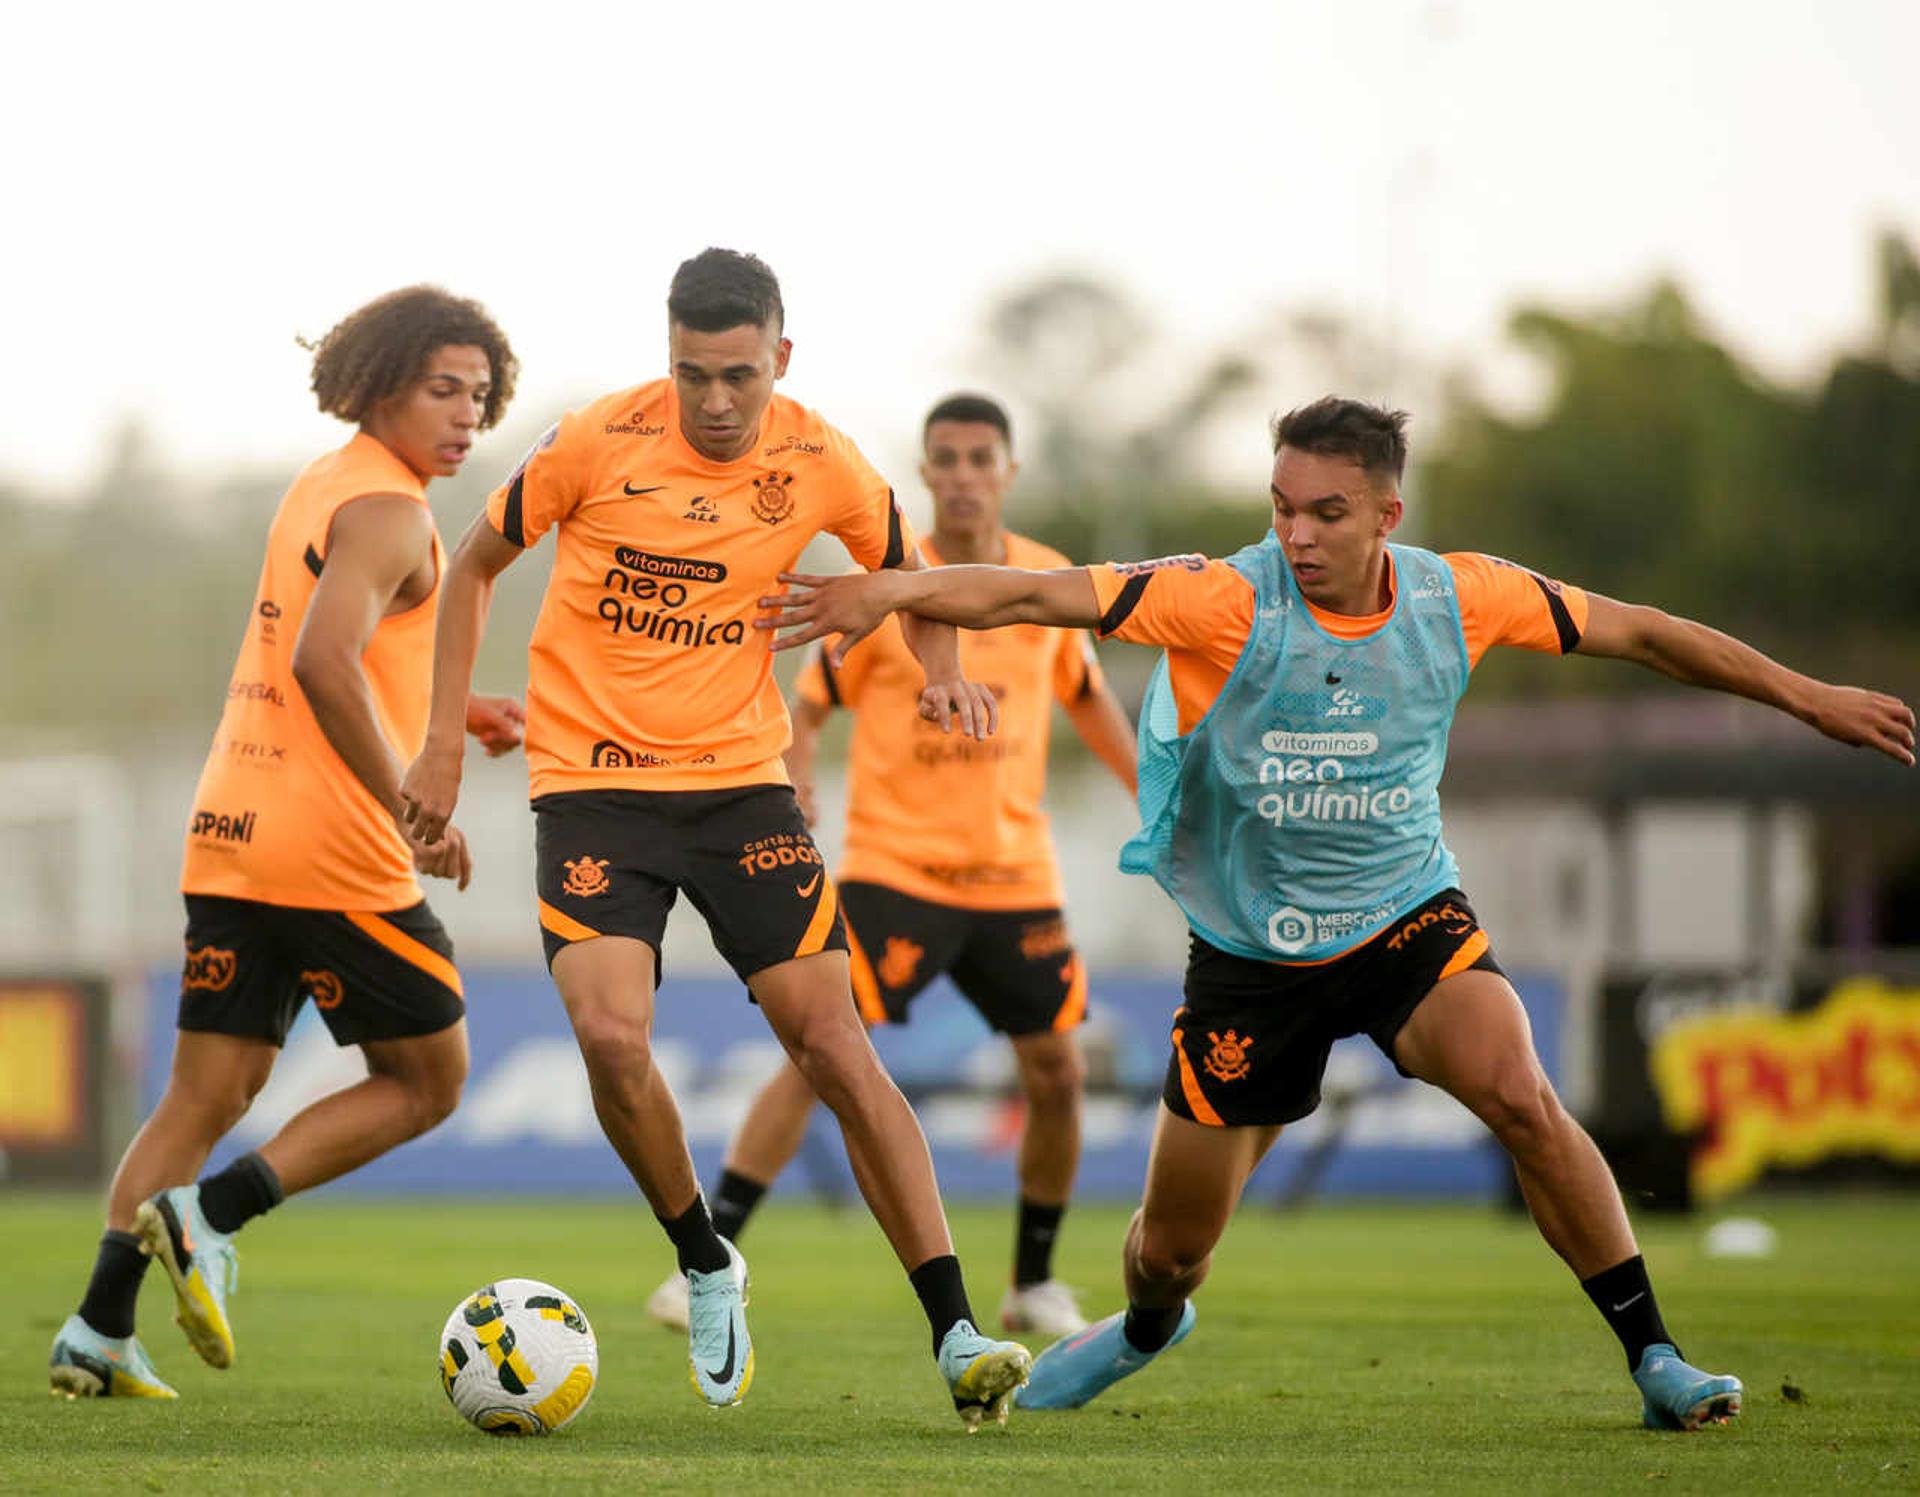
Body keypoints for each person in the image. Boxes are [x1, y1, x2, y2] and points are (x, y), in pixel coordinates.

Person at [757, 395, 1917, 1432]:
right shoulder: (1220, 598)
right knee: (1171, 1254)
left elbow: (1649, 632)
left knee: (1520, 1092)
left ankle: (1656, 1355)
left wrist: (1806, 697)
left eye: (1323, 513)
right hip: (1251, 960)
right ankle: (1145, 1328)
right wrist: (893, 587)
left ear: (1386, 514)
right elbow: (1028, 591)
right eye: (1280, 509)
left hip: (1407, 917)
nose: (1294, 536)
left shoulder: (1462, 596)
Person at [398, 250, 1032, 1429]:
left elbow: (911, 573)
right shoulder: (594, 439)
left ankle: (957, 1334)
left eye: (739, 374)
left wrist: (940, 671)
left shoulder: (824, 456)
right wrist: (441, 738)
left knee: (836, 1049)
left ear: (779, 359)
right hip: (592, 790)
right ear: (669, 359)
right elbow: (473, 566)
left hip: (743, 790)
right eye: (694, 375)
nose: (718, 401)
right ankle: (704, 1259)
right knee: (607, 1034)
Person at [49, 287, 527, 1399]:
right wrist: (415, 798)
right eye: (443, 390)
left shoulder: (326, 484)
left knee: (203, 1096)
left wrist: (451, 717)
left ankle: (98, 1330)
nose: (467, 416)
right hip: (329, 852)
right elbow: (322, 664)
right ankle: (211, 1217)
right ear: (379, 386)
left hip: (232, 828)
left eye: (481, 396)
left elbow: (351, 656)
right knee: (430, 1078)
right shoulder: (394, 513)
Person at [646, 393, 1138, 1341]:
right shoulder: (888, 577)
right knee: (817, 1053)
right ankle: (712, 1255)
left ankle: (1033, 1279)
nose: (961, 474)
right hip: (894, 872)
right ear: (924, 471)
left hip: (1014, 876)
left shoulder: (1045, 584)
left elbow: (1089, 703)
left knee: (1059, 1072)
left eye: (979, 457)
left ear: (1009, 469)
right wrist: (795, 775)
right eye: (944, 457)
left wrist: (1155, 798)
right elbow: (809, 697)